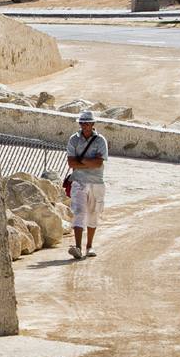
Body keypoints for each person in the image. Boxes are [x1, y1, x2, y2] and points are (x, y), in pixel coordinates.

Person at [66, 110, 108, 259]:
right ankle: (77, 247)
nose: (85, 125)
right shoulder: (73, 139)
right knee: (79, 212)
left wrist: (81, 161)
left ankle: (89, 246)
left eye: (87, 123)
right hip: (79, 181)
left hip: (96, 182)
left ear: (93, 124)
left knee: (93, 213)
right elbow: (71, 163)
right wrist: (89, 162)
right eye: (82, 123)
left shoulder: (100, 140)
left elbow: (99, 163)